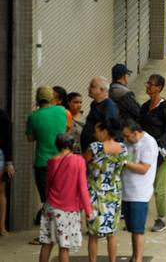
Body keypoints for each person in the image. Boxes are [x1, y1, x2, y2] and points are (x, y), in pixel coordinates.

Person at [38, 133, 92, 262]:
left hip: (50, 206)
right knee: (64, 246)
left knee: (47, 242)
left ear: (57, 145)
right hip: (68, 210)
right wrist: (88, 210)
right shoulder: (79, 160)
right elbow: (83, 188)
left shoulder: (51, 160)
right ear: (71, 144)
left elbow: (48, 185)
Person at [84, 119, 128, 262]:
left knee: (93, 233)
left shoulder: (95, 147)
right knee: (112, 232)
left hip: (95, 192)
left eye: (97, 131)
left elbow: (81, 163)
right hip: (114, 192)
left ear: (104, 131)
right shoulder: (123, 148)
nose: (94, 134)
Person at [138, 74, 166, 232]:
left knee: (159, 188)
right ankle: (138, 218)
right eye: (147, 83)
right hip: (144, 153)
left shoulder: (165, 109)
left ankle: (161, 218)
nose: (148, 86)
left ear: (159, 88)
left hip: (160, 154)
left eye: (151, 84)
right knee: (142, 187)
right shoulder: (145, 107)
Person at [27, 86, 68, 226]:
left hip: (43, 162)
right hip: (62, 161)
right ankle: (60, 227)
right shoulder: (62, 111)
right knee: (60, 195)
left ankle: (47, 230)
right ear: (52, 98)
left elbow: (30, 138)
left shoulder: (33, 117)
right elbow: (66, 128)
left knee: (47, 198)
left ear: (38, 100)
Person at [121, 120, 158, 262]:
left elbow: (143, 168)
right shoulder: (128, 143)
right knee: (132, 229)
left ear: (135, 133)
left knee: (138, 230)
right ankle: (134, 256)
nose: (125, 139)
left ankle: (139, 259)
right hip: (127, 191)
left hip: (140, 193)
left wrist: (124, 162)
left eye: (127, 136)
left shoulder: (148, 143)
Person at [81, 77, 119, 153]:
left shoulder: (109, 107)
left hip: (99, 154)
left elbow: (109, 133)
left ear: (102, 90)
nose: (88, 88)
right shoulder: (94, 104)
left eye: (92, 86)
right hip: (90, 150)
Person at [0, 108, 14, 236]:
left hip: (0, 154)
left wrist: (9, 162)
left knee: (1, 189)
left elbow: (8, 140)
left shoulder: (2, 115)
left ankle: (2, 227)